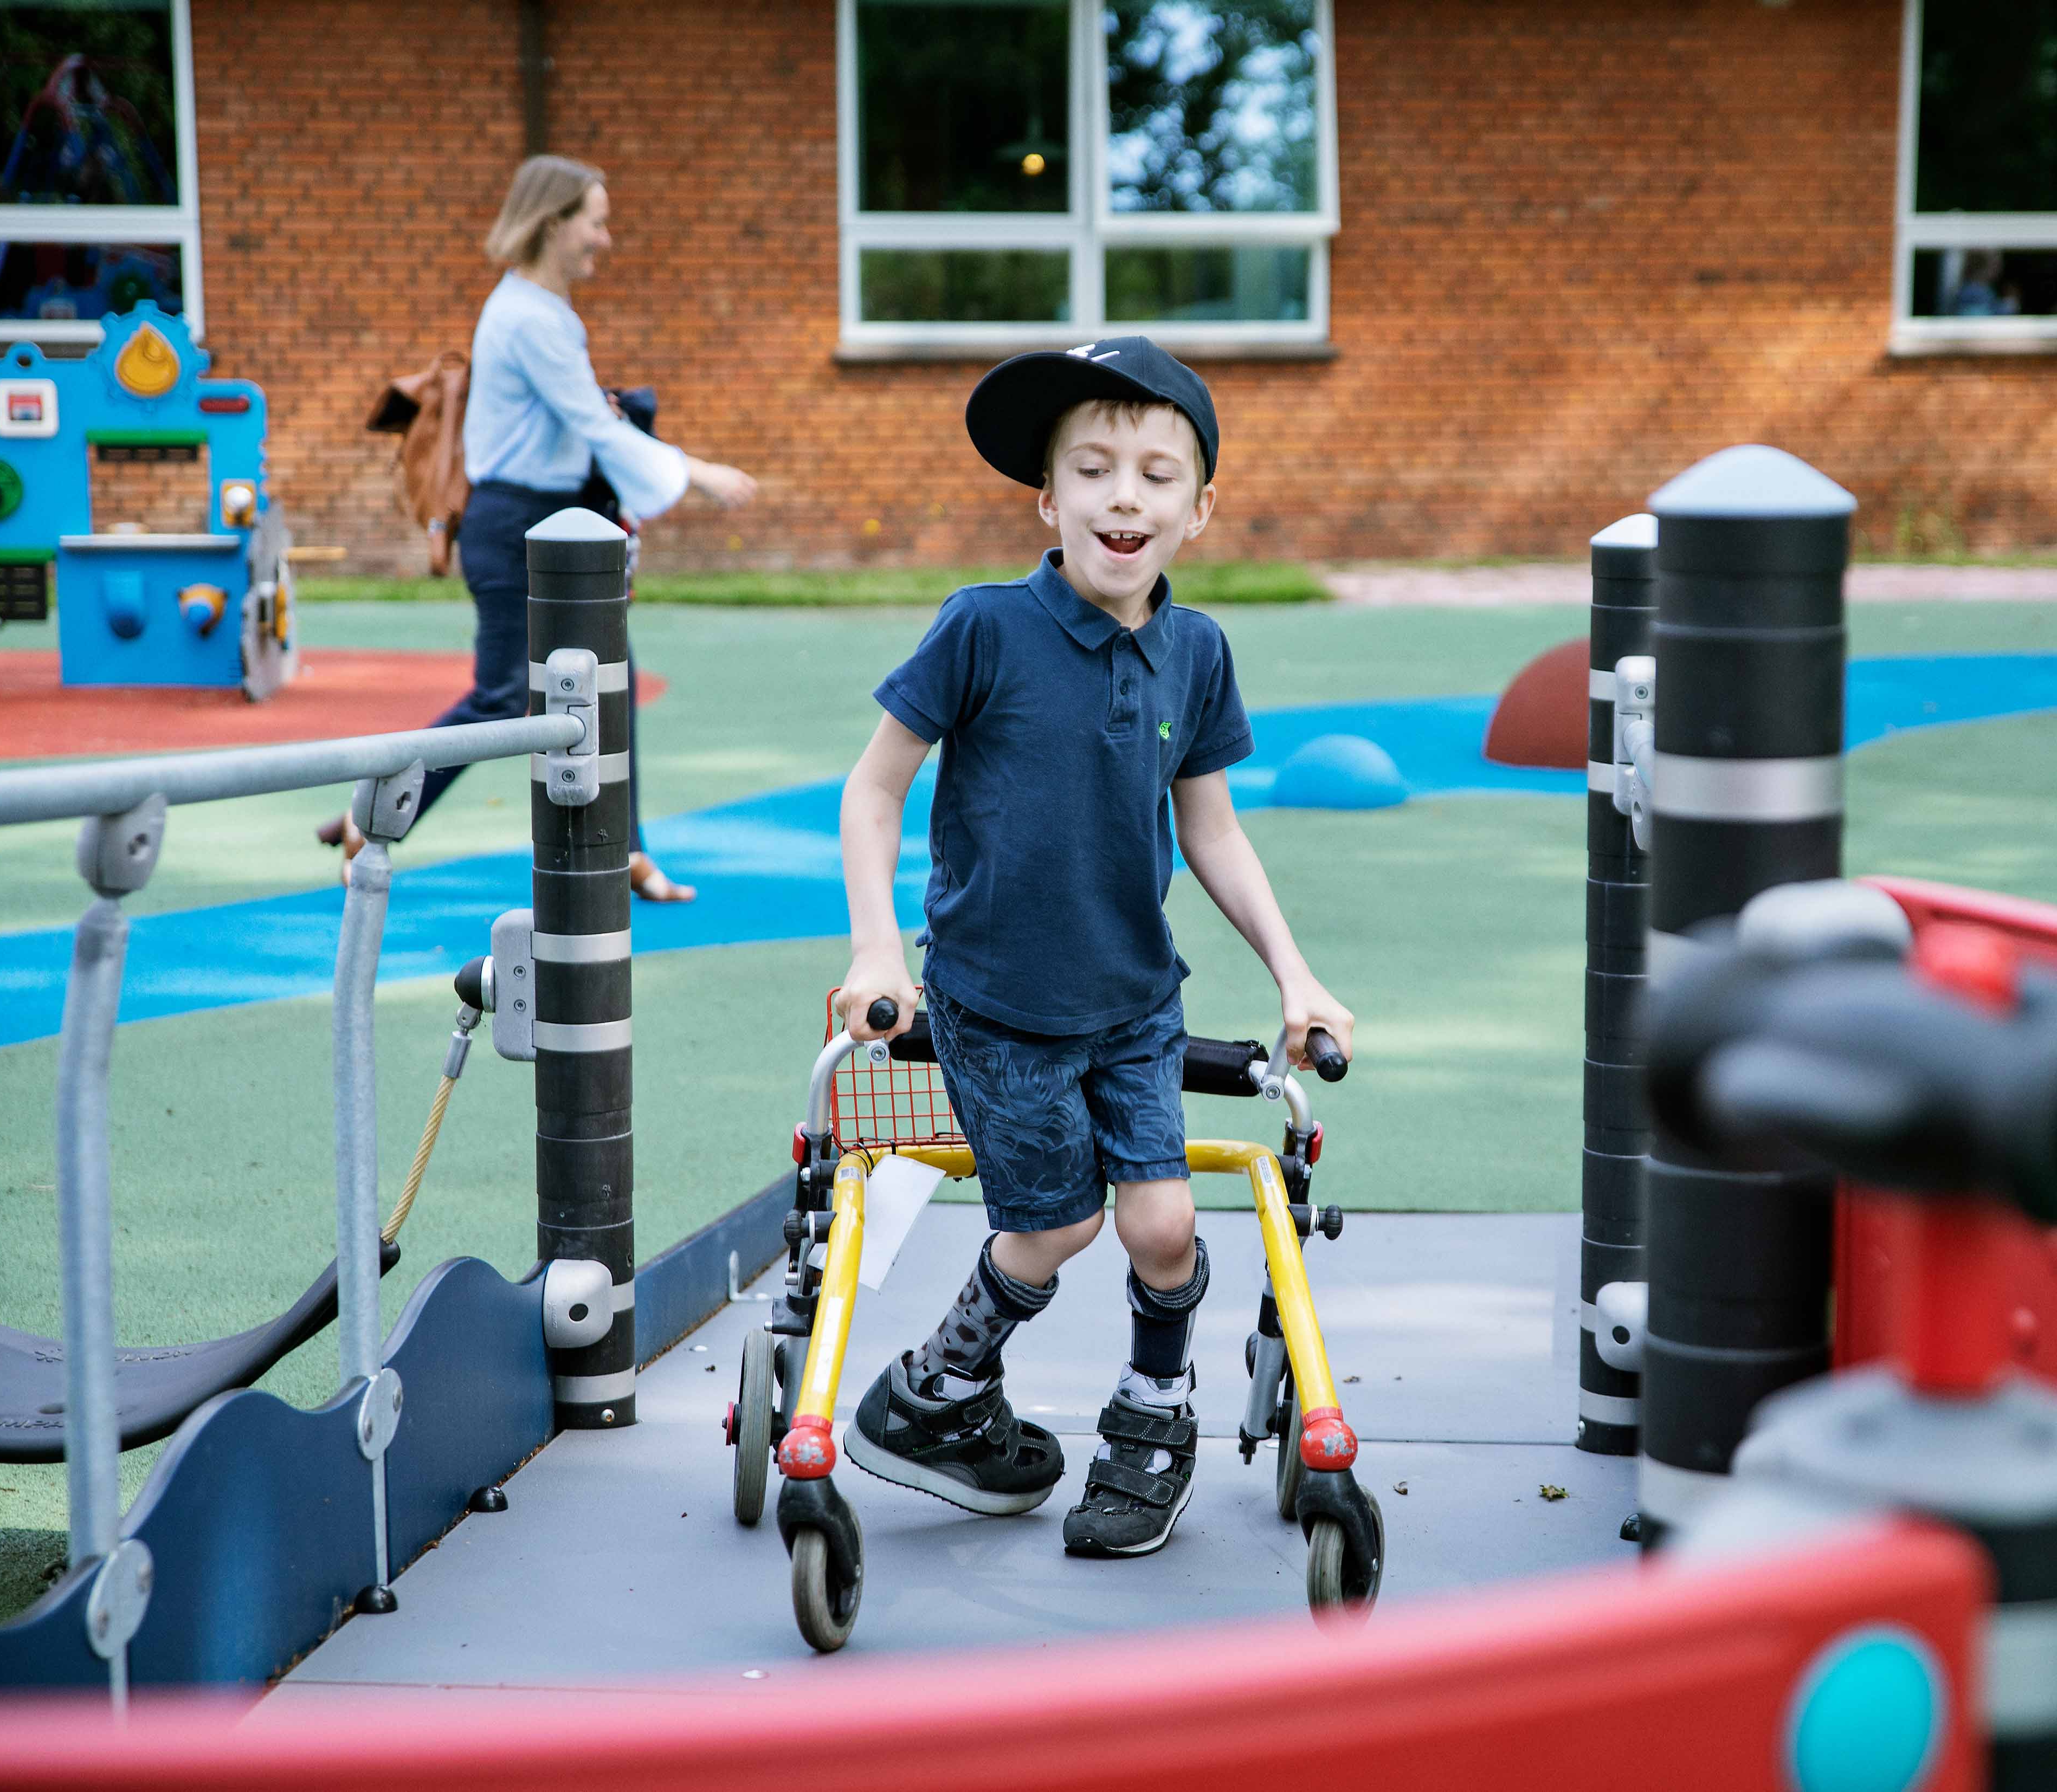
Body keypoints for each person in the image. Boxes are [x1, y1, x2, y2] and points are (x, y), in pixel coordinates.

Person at [832, 338, 1353, 1560]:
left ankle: (1155, 1415)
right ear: (1048, 499)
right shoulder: (986, 629)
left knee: (1163, 1227)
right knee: (1057, 1224)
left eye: (1158, 475)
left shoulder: (1196, 650)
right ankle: (935, 1387)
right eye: (1096, 470)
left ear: (1199, 509)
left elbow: (1212, 831)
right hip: (995, 998)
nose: (1126, 497)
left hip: (1133, 1000)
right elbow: (872, 794)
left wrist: (1296, 971)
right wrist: (875, 954)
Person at [324, 154, 756, 898]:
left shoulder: (542, 314)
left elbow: (582, 427)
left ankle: (624, 852)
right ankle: (375, 814)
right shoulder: (528, 318)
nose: (605, 237)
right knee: (500, 698)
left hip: (549, 525)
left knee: (605, 684)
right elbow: (592, 425)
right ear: (553, 223)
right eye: (595, 220)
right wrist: (698, 473)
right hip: (514, 527)